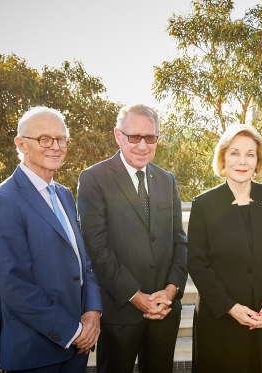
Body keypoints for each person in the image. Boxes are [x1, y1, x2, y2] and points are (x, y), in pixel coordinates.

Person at [0, 107, 102, 372]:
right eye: (45, 139)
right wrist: (73, 331)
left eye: (62, 139)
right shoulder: (1, 201)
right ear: (21, 144)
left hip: (77, 349)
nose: (56, 147)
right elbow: (15, 287)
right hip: (35, 353)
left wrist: (93, 314)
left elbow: (83, 260)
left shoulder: (63, 194)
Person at [77, 104, 188, 373]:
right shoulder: (94, 179)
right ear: (117, 135)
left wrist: (170, 292)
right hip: (120, 315)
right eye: (134, 136)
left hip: (164, 312)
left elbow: (180, 241)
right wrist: (137, 297)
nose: (142, 145)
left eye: (150, 137)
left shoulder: (166, 179)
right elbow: (96, 248)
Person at [186, 124, 262, 373]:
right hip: (220, 318)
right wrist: (230, 307)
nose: (242, 161)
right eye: (234, 153)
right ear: (223, 158)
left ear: (258, 161)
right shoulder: (204, 204)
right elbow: (197, 262)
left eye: (250, 154)